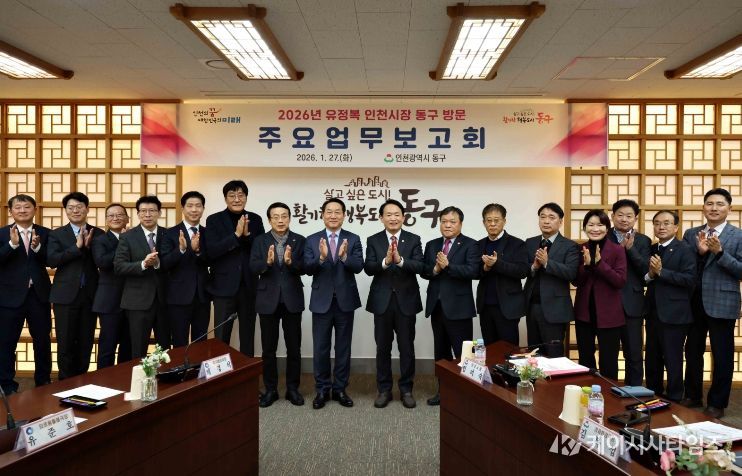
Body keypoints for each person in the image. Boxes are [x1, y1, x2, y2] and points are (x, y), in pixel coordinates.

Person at [682, 188, 742, 418]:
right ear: (703, 207)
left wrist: (720, 253)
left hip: (722, 301)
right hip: (694, 301)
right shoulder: (691, 234)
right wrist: (699, 254)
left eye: (719, 204)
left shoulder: (738, 235)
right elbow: (685, 267)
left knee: (722, 354)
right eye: (709, 203)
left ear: (729, 208)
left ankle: (717, 402)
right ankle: (692, 395)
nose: (714, 208)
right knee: (692, 350)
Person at [364, 199, 424, 409]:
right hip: (382, 302)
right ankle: (384, 389)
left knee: (406, 347)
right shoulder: (373, 240)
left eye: (397, 214)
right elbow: (368, 267)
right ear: (381, 218)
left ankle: (406, 389)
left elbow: (420, 266)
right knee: (383, 348)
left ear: (403, 217)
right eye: (388, 215)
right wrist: (385, 262)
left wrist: (400, 261)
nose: (393, 218)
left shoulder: (413, 239)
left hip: (406, 301)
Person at [304, 198, 363, 409]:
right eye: (329, 211)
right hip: (321, 302)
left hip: (345, 302)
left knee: (343, 348)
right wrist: (321, 258)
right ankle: (322, 389)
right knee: (321, 348)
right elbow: (307, 268)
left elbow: (359, 266)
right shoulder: (312, 239)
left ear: (344, 215)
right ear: (322, 215)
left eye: (338, 212)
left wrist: (345, 257)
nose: (333, 215)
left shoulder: (353, 238)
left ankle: (339, 389)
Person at [249, 202, 306, 407]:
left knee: (294, 348)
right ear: (269, 220)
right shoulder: (260, 241)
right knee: (268, 349)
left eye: (284, 216)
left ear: (289, 218)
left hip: (292, 299)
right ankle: (271, 390)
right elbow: (253, 266)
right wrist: (267, 263)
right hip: (267, 300)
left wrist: (291, 263)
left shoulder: (299, 240)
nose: (280, 220)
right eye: (276, 217)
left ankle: (293, 389)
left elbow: (305, 267)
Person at [422, 206, 479, 406]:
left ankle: (467, 395)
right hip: (437, 307)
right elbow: (424, 271)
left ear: (460, 224)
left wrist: (448, 266)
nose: (447, 225)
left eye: (452, 222)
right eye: (444, 221)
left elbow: (473, 271)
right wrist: (436, 269)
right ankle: (443, 391)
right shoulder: (432, 245)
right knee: (441, 353)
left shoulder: (471, 244)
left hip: (459, 308)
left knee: (465, 354)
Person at [204, 180, 264, 356]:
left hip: (249, 286)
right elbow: (212, 251)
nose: (237, 199)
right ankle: (222, 372)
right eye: (232, 195)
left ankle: (247, 372)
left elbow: (260, 250)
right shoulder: (214, 220)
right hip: (223, 287)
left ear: (246, 197)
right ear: (225, 198)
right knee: (221, 337)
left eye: (240, 195)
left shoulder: (255, 219)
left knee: (248, 335)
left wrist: (246, 236)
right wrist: (236, 235)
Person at [47, 192, 103, 379]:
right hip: (65, 296)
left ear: (87, 209)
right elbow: (52, 260)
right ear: (65, 211)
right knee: (65, 341)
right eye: (71, 208)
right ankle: (65, 382)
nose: (75, 211)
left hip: (90, 294)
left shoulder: (99, 233)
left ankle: (82, 380)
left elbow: (103, 261)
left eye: (79, 207)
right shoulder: (56, 234)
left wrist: (89, 246)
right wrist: (76, 247)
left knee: (86, 341)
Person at [0, 194, 51, 394]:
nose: (22, 210)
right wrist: (11, 245)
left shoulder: (46, 233)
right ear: (11, 211)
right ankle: (7, 384)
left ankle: (43, 381)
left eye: (27, 207)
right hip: (9, 297)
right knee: (6, 342)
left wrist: (37, 248)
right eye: (18, 207)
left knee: (42, 341)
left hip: (39, 295)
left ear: (35, 209)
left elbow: (52, 260)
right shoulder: (2, 234)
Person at [644, 210, 695, 402]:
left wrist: (661, 272)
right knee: (652, 358)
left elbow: (690, 280)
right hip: (652, 312)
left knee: (672, 359)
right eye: (657, 223)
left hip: (675, 314)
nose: (661, 227)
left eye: (666, 223)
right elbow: (646, 277)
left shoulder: (685, 249)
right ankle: (653, 394)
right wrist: (651, 274)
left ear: (676, 227)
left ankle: (674, 398)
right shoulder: (652, 249)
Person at [573, 210, 627, 379]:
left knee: (609, 362)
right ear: (584, 228)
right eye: (590, 225)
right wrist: (587, 266)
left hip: (609, 315)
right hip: (584, 314)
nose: (595, 229)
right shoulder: (580, 248)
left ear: (607, 228)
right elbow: (576, 281)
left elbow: (620, 281)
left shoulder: (617, 250)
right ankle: (586, 391)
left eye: (600, 225)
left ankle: (609, 394)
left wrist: (599, 264)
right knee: (585, 360)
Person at [114, 195, 169, 358]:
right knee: (138, 349)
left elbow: (174, 263)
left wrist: (158, 263)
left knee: (165, 349)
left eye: (152, 210)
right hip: (137, 302)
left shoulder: (168, 234)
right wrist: (143, 264)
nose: (147, 214)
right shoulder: (127, 236)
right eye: (143, 211)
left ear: (159, 213)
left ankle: (164, 375)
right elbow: (119, 266)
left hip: (164, 300)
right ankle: (140, 376)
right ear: (138, 214)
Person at [523, 203, 580, 356]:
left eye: (551, 217)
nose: (546, 221)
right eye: (542, 217)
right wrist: (534, 267)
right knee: (534, 354)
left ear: (560, 221)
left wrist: (547, 263)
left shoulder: (570, 246)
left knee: (554, 355)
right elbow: (522, 269)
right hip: (532, 307)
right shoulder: (530, 242)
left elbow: (571, 273)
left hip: (555, 309)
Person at [608, 199, 651, 386]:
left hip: (632, 303)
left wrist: (631, 249)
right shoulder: (603, 236)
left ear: (636, 218)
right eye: (620, 215)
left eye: (629, 216)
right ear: (612, 216)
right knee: (608, 352)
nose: (624, 219)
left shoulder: (643, 240)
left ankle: (634, 391)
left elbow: (645, 271)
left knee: (633, 351)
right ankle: (608, 390)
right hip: (607, 301)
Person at [160, 191, 210, 347]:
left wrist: (198, 251)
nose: (194, 210)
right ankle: (180, 365)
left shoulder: (208, 233)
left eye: (198, 206)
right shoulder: (170, 233)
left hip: (202, 295)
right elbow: (164, 263)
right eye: (190, 206)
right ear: (183, 208)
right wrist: (182, 250)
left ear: (203, 209)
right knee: (179, 341)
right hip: (178, 296)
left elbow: (213, 260)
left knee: (200, 342)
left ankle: (198, 365)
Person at [476, 203, 529, 346]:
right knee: (489, 349)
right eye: (489, 220)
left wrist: (497, 264)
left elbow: (522, 271)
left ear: (504, 221)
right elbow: (475, 272)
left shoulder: (517, 244)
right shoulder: (479, 245)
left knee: (508, 349)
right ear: (484, 222)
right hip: (485, 306)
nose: (492, 224)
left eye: (496, 220)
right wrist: (485, 268)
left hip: (508, 306)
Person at [92, 203, 131, 368]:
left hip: (132, 299)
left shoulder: (135, 237)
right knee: (108, 345)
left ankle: (124, 378)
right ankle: (103, 380)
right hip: (109, 300)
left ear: (127, 219)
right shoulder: (99, 240)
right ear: (106, 220)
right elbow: (103, 262)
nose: (115, 218)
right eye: (111, 215)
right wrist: (123, 242)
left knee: (128, 345)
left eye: (120, 215)